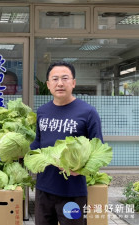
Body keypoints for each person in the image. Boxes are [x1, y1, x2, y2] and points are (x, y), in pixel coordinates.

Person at [30, 61, 103, 225]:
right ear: (48, 85)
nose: (60, 83)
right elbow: (38, 143)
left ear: (74, 82)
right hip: (44, 189)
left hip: (73, 192)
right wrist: (22, 153)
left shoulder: (88, 112)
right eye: (55, 79)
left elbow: (99, 150)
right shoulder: (42, 111)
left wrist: (82, 169)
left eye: (65, 78)